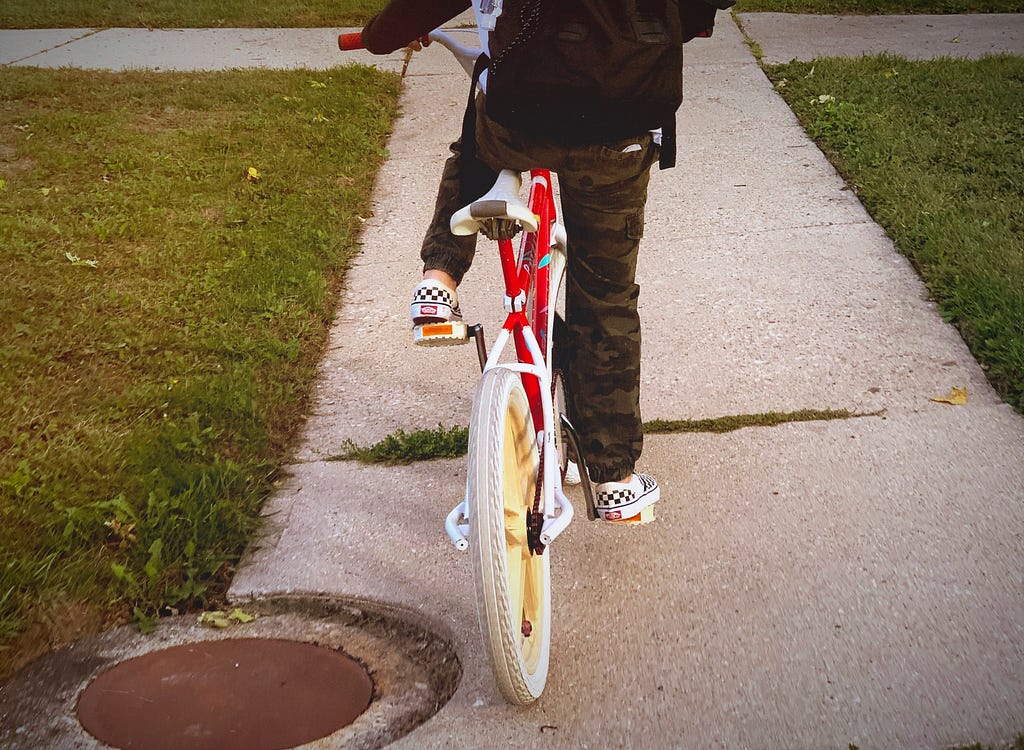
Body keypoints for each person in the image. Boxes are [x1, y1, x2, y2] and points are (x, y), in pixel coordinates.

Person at [359, 0, 726, 522]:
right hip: (622, 123)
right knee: (606, 294)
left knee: (480, 118)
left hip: (522, 120)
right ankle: (613, 477)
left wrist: (383, 33)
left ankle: (438, 278)